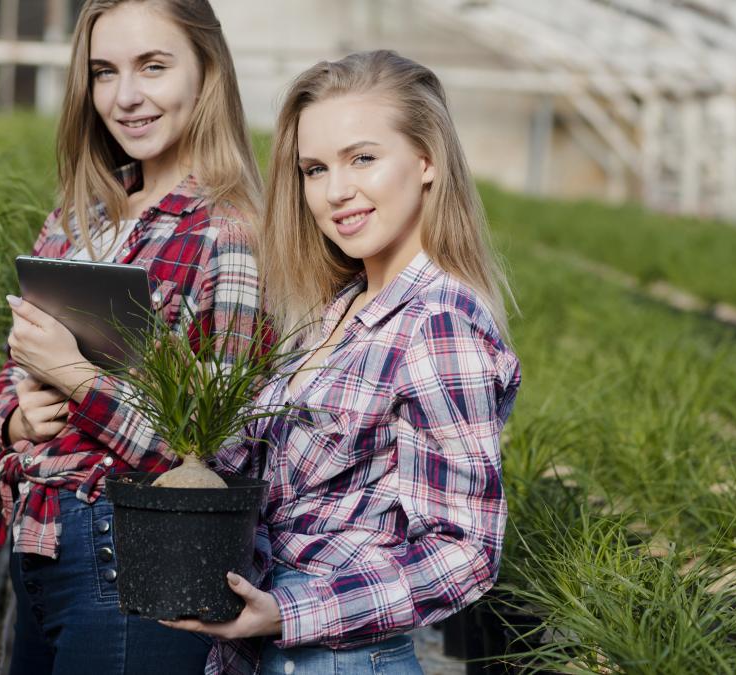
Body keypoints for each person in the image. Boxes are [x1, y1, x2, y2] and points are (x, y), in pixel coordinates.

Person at [156, 50, 523, 674]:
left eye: (363, 159)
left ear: (427, 159)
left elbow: (465, 552)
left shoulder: (436, 322)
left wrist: (290, 614)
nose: (335, 192)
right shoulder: (340, 311)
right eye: (314, 168)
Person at [0, 1, 263, 673]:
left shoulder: (229, 231)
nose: (125, 96)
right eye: (105, 72)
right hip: (41, 547)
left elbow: (221, 447)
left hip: (132, 554)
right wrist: (16, 417)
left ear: (208, 71)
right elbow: (8, 365)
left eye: (153, 67)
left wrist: (75, 379)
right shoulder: (78, 218)